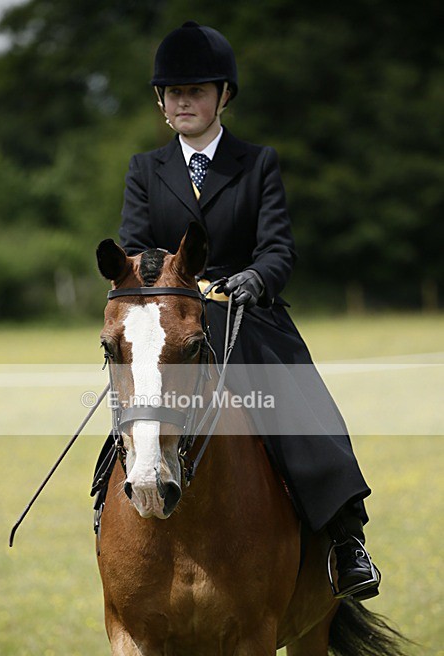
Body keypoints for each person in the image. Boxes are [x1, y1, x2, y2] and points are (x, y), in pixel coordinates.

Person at [93, 21, 380, 600]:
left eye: (197, 91)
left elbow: (279, 247)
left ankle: (346, 540)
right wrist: (165, 281)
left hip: (248, 317)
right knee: (132, 405)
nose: (184, 102)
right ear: (160, 99)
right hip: (173, 319)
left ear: (224, 96)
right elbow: (134, 248)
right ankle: (109, 512)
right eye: (174, 93)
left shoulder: (257, 163)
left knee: (306, 413)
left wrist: (255, 276)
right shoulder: (145, 170)